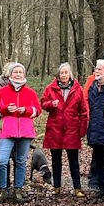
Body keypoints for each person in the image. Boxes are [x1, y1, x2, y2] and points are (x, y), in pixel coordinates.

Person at [0, 63, 41, 203]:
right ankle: (2, 190)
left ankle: (18, 190)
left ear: (24, 75)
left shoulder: (30, 92)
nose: (18, 74)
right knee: (1, 160)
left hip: (25, 131)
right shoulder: (2, 91)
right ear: (10, 74)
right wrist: (5, 109)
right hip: (7, 131)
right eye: (15, 72)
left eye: (20, 72)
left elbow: (38, 110)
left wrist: (26, 110)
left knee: (21, 161)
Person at [41, 63, 88, 197]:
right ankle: (56, 186)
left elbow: (83, 111)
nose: (64, 75)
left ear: (70, 74)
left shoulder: (77, 89)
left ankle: (77, 187)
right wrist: (51, 104)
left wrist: (82, 130)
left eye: (66, 73)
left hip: (72, 129)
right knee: (56, 160)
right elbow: (43, 103)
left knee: (73, 160)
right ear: (58, 74)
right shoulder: (50, 88)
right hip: (55, 129)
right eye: (62, 73)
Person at [86, 59, 104, 201]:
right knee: (98, 161)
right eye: (96, 68)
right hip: (95, 128)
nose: (96, 71)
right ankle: (102, 187)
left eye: (99, 69)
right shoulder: (93, 86)